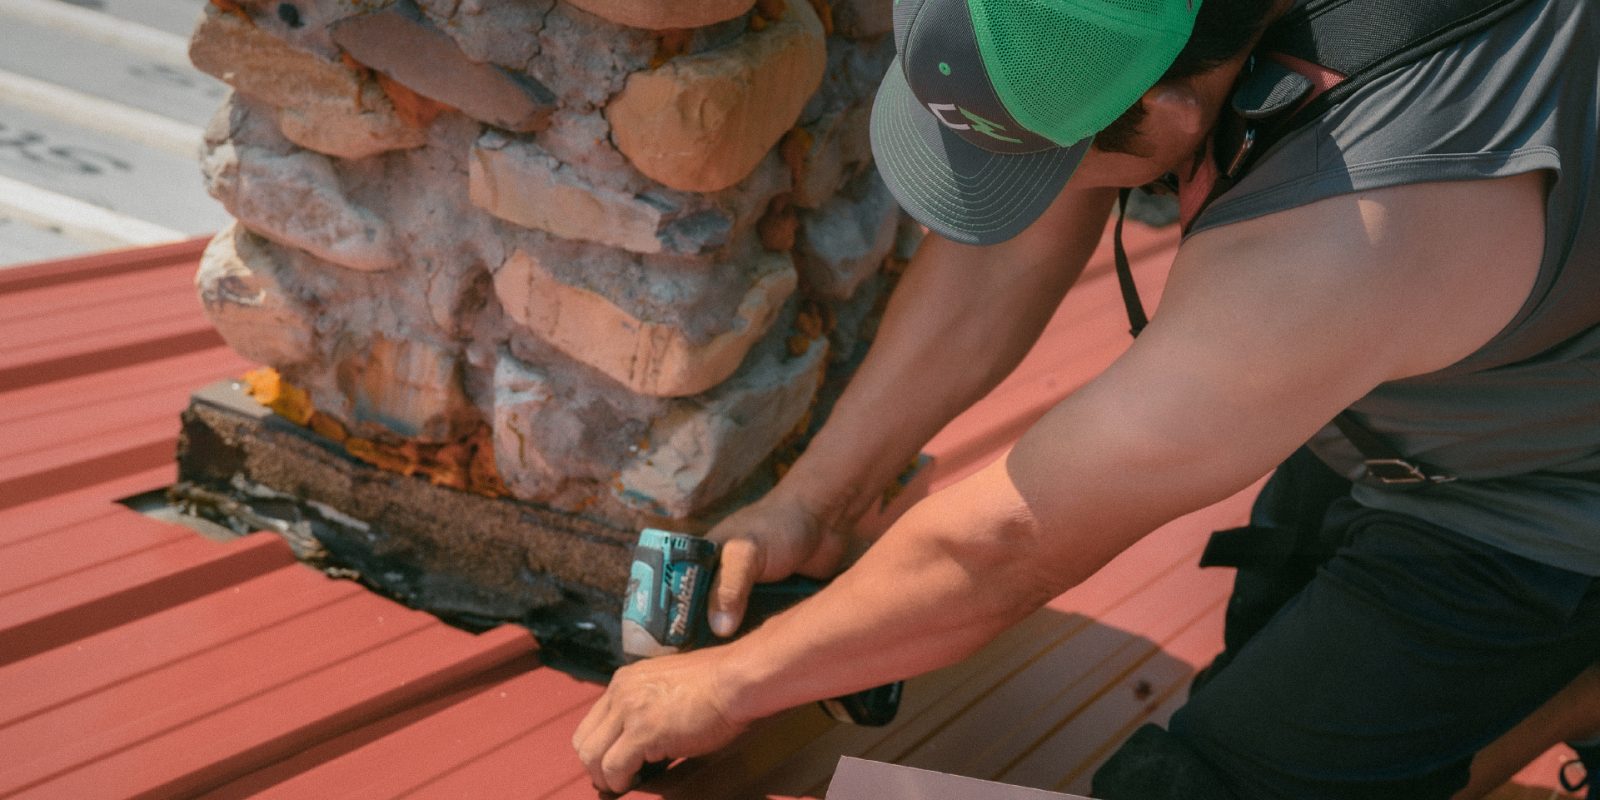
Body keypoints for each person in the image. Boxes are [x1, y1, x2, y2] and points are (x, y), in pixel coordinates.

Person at [573, 0, 1600, 796]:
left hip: (1542, 500)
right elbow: (1012, 234)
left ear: (1168, 110)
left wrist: (730, 681)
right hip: (1414, 394)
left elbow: (1008, 543)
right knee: (1270, 654)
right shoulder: (1157, 31)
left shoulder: (1343, 238)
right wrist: (820, 497)